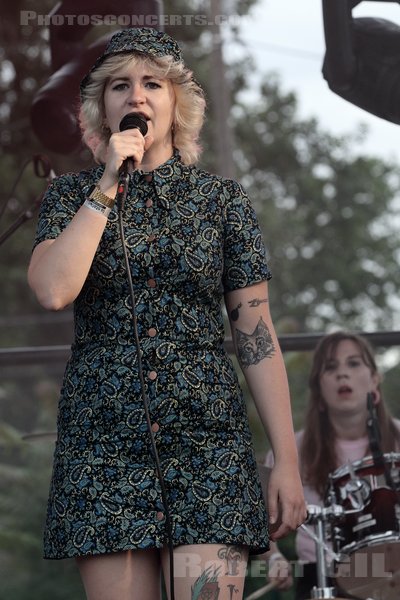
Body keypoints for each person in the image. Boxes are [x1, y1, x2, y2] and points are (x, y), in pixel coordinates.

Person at [27, 27, 306, 600]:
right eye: (120, 85)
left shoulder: (221, 201)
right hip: (102, 444)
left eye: (152, 83)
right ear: (100, 107)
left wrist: (285, 459)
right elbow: (53, 290)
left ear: (177, 101)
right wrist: (106, 186)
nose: (136, 96)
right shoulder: (69, 198)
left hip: (207, 442)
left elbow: (256, 334)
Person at [264, 330, 400, 600]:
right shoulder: (292, 450)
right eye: (331, 367)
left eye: (353, 363)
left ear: (374, 379)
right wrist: (273, 558)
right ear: (319, 387)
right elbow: (263, 517)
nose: (342, 374)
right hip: (320, 576)